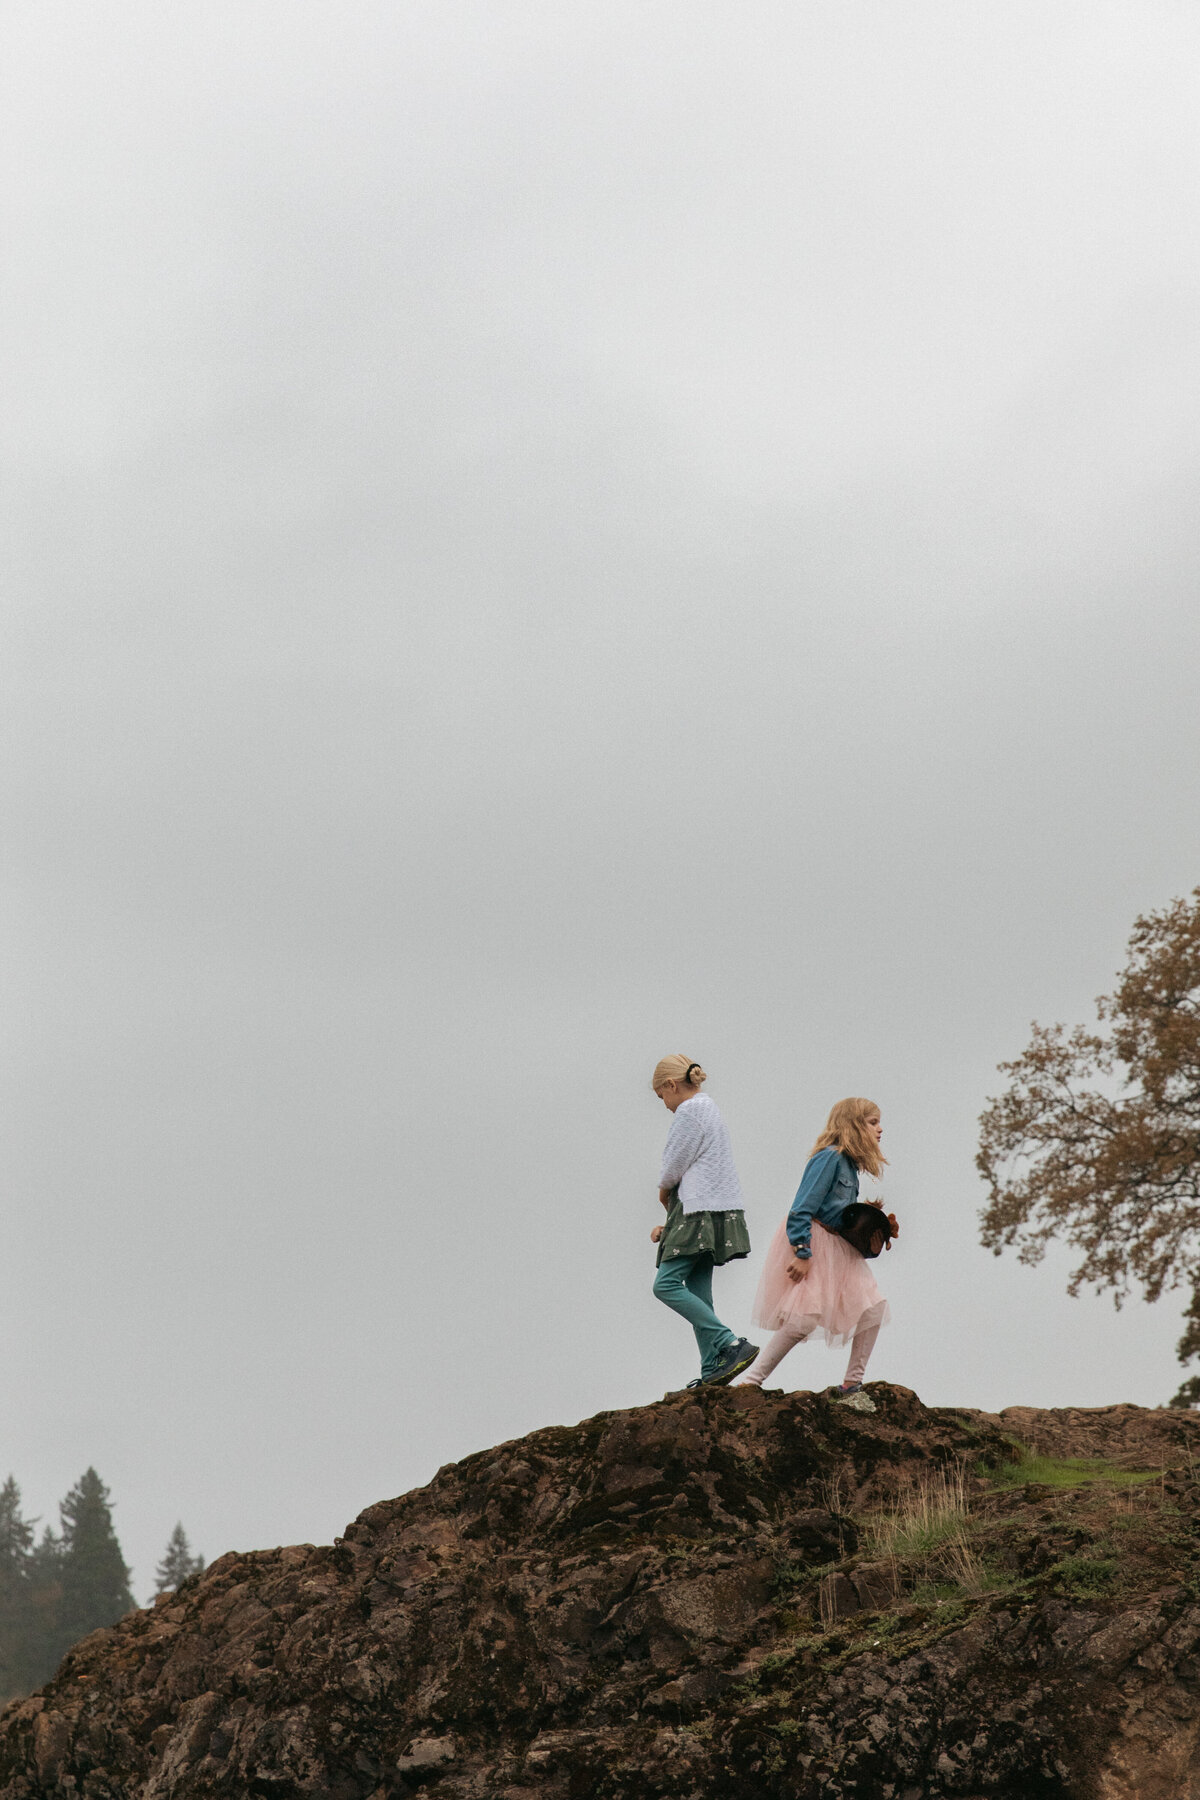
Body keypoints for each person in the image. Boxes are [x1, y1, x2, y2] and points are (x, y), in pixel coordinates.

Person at [733, 1097, 894, 1397]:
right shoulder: (829, 1157)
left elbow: (839, 1214)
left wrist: (869, 1221)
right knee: (804, 1317)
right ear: (853, 1125)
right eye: (873, 1122)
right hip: (813, 1240)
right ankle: (750, 1381)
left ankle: (851, 1384)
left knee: (873, 1309)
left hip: (837, 1246)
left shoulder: (850, 1165)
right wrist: (802, 1252)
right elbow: (802, 1208)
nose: (880, 1129)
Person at [650, 1054, 758, 1388]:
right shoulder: (710, 1108)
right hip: (716, 1208)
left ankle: (728, 1343)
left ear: (671, 1085)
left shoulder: (690, 1111)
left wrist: (663, 1192)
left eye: (661, 1096)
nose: (665, 1105)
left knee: (665, 1285)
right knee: (699, 1292)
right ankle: (712, 1367)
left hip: (696, 1209)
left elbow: (674, 1164)